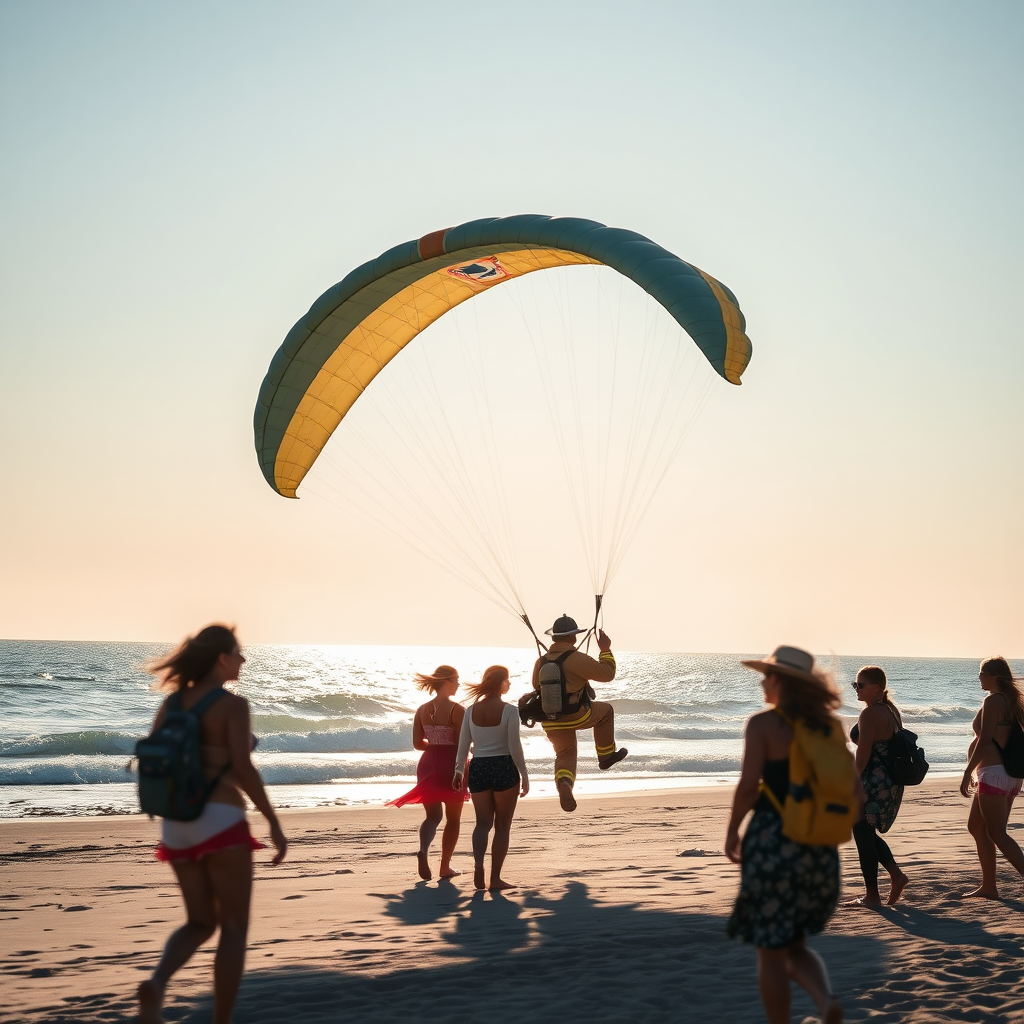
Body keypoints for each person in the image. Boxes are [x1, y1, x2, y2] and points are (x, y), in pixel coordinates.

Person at [137, 625, 287, 1024]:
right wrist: (272, 821)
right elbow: (243, 768)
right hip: (220, 818)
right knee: (234, 926)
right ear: (222, 658)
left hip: (176, 823)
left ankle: (157, 982)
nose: (243, 660)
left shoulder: (173, 704)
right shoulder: (233, 706)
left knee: (199, 922)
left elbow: (159, 760)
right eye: (238, 653)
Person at [725, 646, 846, 1024]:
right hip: (819, 846)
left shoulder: (763, 724)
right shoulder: (830, 726)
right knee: (795, 944)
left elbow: (748, 788)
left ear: (780, 680)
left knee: (770, 952)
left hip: (773, 841)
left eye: (767, 674)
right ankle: (825, 1001)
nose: (762, 681)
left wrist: (732, 831)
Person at [531, 614, 627, 813]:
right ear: (574, 637)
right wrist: (605, 650)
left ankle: (565, 784)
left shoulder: (541, 661)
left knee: (565, 754)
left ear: (554, 637)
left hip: (549, 720)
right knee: (606, 711)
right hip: (576, 715)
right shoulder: (576, 658)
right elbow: (607, 674)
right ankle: (606, 755)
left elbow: (535, 686)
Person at [386, 665, 468, 881]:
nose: (458, 684)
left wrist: (435, 745)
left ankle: (423, 849)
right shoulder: (457, 710)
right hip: (451, 763)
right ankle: (445, 867)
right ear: (446, 681)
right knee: (453, 819)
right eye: (456, 680)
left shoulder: (422, 709)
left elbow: (416, 743)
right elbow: (461, 744)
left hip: (428, 762)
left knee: (432, 816)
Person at [453, 665, 529, 890]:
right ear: (500, 682)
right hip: (504, 766)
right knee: (502, 826)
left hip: (479, 768)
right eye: (508, 680)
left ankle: (478, 865)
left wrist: (459, 770)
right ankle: (495, 879)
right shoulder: (510, 711)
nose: (510, 684)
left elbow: (464, 745)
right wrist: (524, 773)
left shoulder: (470, 711)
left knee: (482, 824)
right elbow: (515, 747)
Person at [845, 666, 909, 907]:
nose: (857, 689)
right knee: (865, 831)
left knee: (862, 833)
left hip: (871, 781)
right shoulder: (890, 711)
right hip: (886, 781)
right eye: (855, 685)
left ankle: (873, 896)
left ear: (877, 688)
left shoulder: (870, 714)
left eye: (861, 685)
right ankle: (896, 876)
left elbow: (862, 756)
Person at [960, 656, 1024, 899]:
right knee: (976, 827)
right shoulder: (1012, 701)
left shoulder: (994, 700)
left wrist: (968, 772)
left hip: (995, 775)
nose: (979, 677)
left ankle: (991, 886)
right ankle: (989, 887)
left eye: (981, 673)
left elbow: (985, 738)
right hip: (1006, 775)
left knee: (997, 833)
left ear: (994, 676)